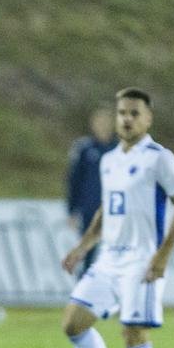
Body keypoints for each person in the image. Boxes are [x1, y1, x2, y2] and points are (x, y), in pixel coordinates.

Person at [60, 87, 174, 348]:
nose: (127, 119)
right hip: (109, 258)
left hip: (142, 260)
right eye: (122, 113)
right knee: (73, 323)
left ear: (148, 119)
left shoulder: (160, 158)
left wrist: (162, 255)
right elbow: (108, 209)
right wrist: (83, 247)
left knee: (133, 332)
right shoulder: (109, 160)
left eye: (134, 113)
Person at [65, 107, 116, 276]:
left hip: (116, 211)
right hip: (90, 211)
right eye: (99, 121)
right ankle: (84, 296)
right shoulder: (84, 148)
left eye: (106, 121)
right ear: (92, 124)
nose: (102, 126)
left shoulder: (121, 148)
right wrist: (72, 210)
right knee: (88, 255)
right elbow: (74, 181)